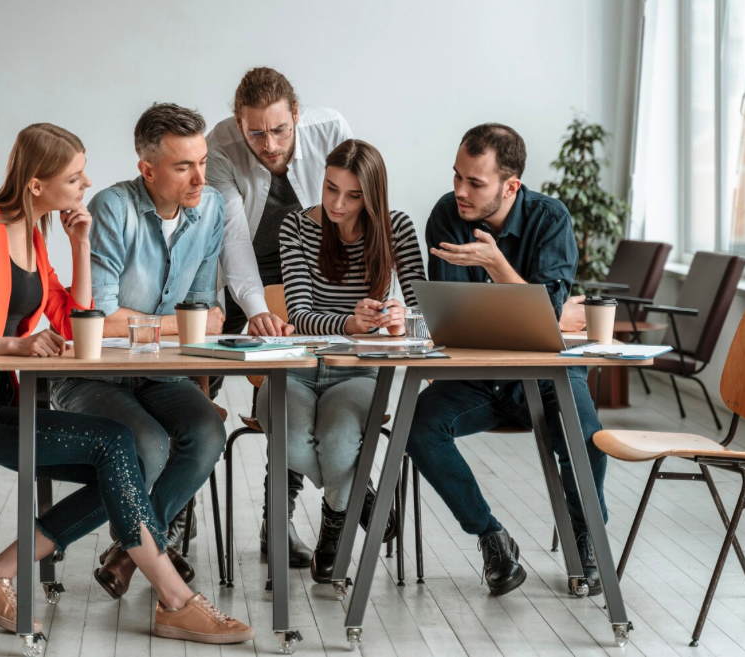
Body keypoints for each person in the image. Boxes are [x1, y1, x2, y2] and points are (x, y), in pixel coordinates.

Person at [0, 123, 252, 643]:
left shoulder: (35, 235)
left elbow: (75, 319)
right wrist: (13, 346)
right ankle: (175, 599)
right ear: (37, 185)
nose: (87, 182)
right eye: (75, 175)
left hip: (2, 404)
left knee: (120, 461)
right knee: (115, 443)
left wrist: (80, 245)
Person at [406, 123, 606, 597]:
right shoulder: (446, 215)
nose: (459, 191)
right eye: (457, 176)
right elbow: (454, 315)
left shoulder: (550, 219)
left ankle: (588, 540)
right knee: (417, 427)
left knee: (586, 438)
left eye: (475, 182)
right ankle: (491, 536)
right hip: (480, 376)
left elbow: (545, 315)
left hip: (546, 372)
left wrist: (497, 267)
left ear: (510, 185)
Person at [49, 104, 228, 600]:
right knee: (147, 443)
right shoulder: (113, 208)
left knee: (208, 430)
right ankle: (148, 548)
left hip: (160, 373)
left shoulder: (210, 208)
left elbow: (207, 313)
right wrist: (180, 326)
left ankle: (130, 551)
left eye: (203, 161)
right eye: (182, 166)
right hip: (94, 377)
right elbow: (101, 321)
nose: (199, 178)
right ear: (147, 169)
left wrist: (177, 324)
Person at [204, 67, 355, 565]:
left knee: (293, 384)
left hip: (311, 267)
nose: (268, 145)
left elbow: (354, 208)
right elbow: (232, 239)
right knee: (195, 376)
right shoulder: (221, 145)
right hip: (241, 268)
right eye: (256, 133)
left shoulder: (329, 128)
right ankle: (175, 513)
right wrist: (257, 311)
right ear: (237, 122)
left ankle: (278, 522)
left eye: (279, 130)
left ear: (296, 114)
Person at [254, 139, 422, 582]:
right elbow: (302, 313)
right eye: (331, 189)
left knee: (339, 440)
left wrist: (401, 318)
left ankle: (334, 527)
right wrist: (349, 323)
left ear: (373, 196)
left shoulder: (396, 229)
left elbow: (428, 314)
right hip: (294, 368)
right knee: (288, 440)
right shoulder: (296, 227)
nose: (337, 204)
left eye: (352, 195)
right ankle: (360, 497)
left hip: (359, 373)